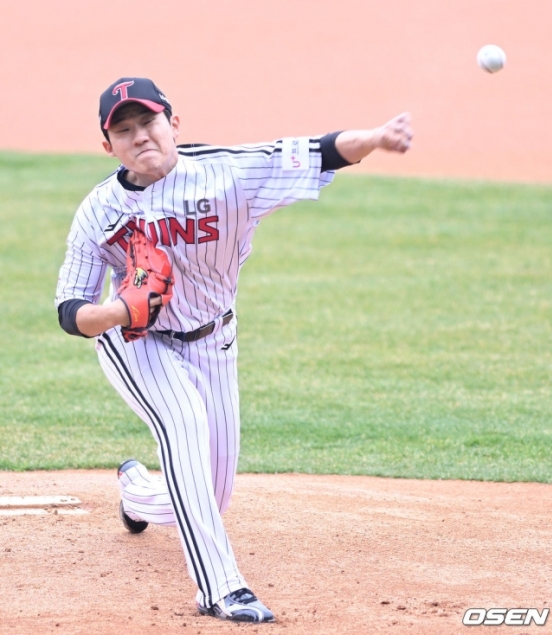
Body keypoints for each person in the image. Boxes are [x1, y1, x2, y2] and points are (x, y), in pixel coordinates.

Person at [55, 77, 413, 623]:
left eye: (148, 122)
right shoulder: (100, 211)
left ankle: (137, 494)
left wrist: (378, 138)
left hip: (215, 340)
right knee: (183, 425)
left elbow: (319, 151)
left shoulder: (228, 174)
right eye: (123, 131)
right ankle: (220, 588)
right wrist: (116, 312)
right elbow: (70, 309)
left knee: (214, 491)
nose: (140, 136)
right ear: (109, 146)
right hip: (137, 343)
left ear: (174, 124)